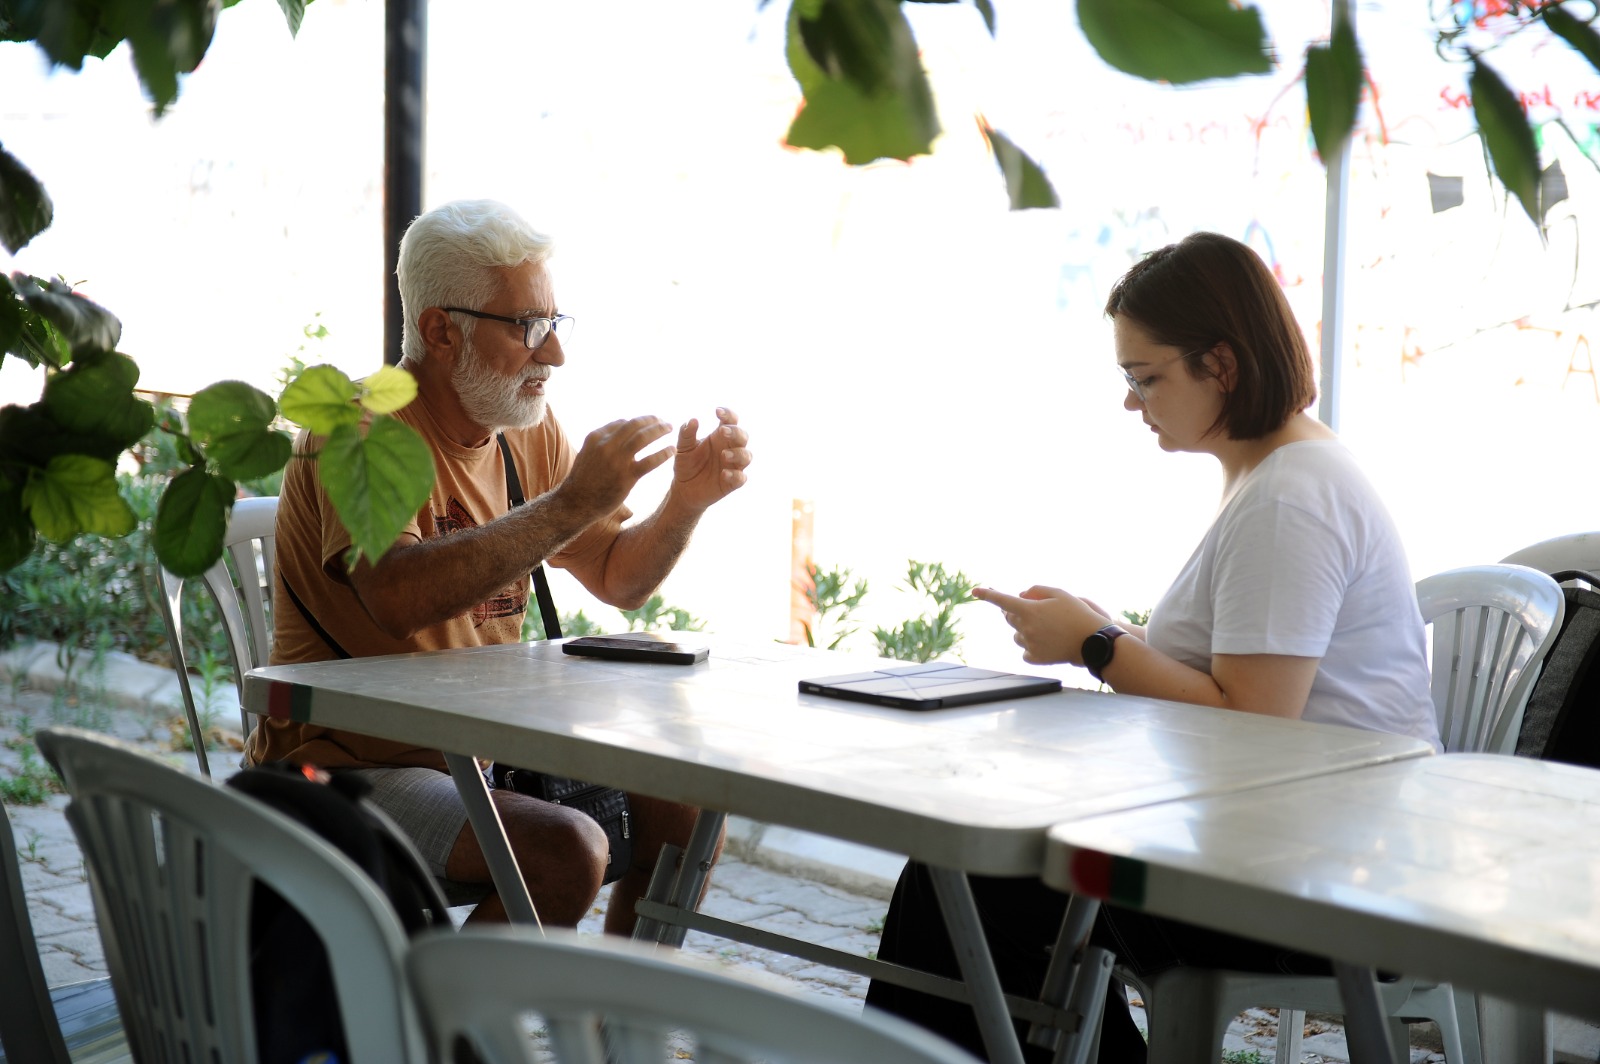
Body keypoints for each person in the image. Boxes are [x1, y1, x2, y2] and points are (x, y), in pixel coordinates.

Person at [864, 231, 1438, 1061]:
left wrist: (1097, 644)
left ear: (1223, 366)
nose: (1134, 403)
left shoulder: (1293, 495)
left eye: (1146, 378)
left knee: (975, 881)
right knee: (971, 875)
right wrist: (1101, 632)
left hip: (1318, 885)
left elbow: (1255, 722)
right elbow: (1236, 685)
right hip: (1286, 845)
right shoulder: (1272, 472)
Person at [244, 198, 753, 933]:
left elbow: (618, 577)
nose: (554, 354)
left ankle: (616, 1038)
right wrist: (568, 504)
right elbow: (398, 594)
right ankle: (434, 1033)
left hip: (484, 758)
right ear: (441, 331)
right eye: (526, 327)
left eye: (553, 323)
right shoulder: (354, 431)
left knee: (688, 807)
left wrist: (686, 501)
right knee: (563, 851)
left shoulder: (526, 430)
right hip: (344, 767)